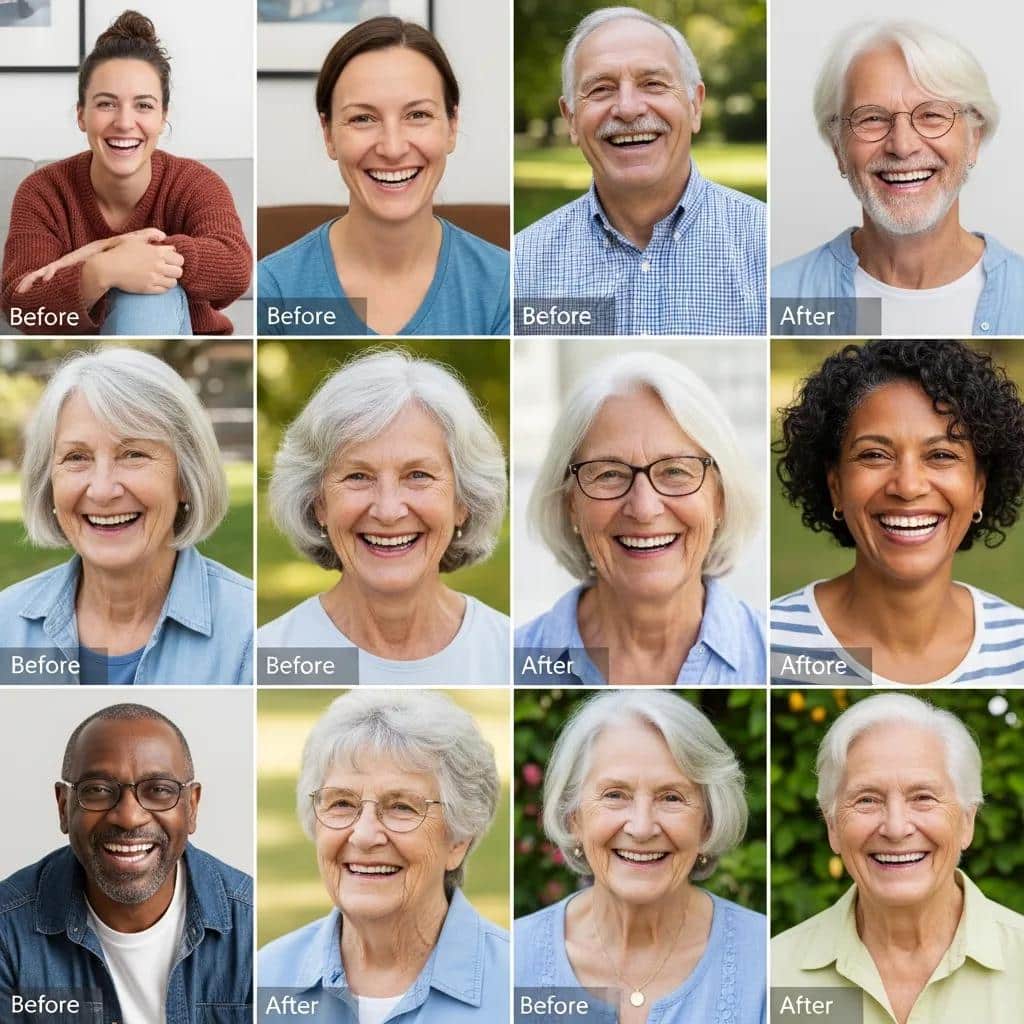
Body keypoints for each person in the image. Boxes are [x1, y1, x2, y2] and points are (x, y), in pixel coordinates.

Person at [772, 339, 1024, 684]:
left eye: (941, 456)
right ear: (836, 486)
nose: (907, 486)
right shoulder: (771, 646)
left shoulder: (1017, 648)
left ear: (979, 487)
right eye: (875, 454)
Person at [0, 347, 253, 685]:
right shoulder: (6, 625)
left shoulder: (250, 632)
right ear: (48, 480)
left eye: (133, 454)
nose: (102, 490)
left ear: (185, 478)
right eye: (77, 457)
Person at [259, 348, 508, 684]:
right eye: (358, 477)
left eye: (418, 475)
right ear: (319, 503)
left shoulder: (508, 651)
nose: (388, 511)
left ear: (463, 501)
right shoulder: (269, 655)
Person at [258, 689, 508, 1021]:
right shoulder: (265, 977)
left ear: (458, 840)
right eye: (342, 803)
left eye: (401, 807)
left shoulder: (515, 986)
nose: (364, 836)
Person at [516, 690, 765, 1023]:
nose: (642, 827)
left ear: (707, 822)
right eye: (615, 795)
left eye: (671, 798)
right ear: (573, 817)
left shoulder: (767, 961)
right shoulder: (515, 958)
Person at [773, 693, 1024, 1023]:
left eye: (923, 797)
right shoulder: (774, 970)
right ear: (832, 826)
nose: (895, 827)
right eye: (867, 800)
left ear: (967, 821)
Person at [516, 351, 764, 684]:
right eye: (608, 474)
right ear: (570, 502)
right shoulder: (513, 661)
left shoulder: (778, 657)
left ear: (720, 497)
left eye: (675, 471)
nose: (644, 508)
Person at [514, 7, 765, 336]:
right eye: (601, 89)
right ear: (571, 118)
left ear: (695, 106)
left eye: (653, 83)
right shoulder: (521, 265)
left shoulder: (763, 245)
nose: (629, 109)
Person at [0, 10, 251, 336]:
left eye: (143, 105)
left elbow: (235, 270)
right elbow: (20, 310)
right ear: (81, 115)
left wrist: (143, 257)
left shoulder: (196, 184)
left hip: (176, 346)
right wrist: (103, 268)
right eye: (106, 104)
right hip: (80, 360)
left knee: (145, 294)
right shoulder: (43, 192)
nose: (124, 122)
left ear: (162, 117)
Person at [0, 703, 252, 1022]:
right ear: (64, 807)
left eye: (159, 790)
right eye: (99, 791)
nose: (130, 817)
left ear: (192, 806)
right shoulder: (7, 931)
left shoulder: (251, 928)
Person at [257, 16, 509, 336]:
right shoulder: (275, 292)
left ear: (452, 125)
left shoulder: (505, 286)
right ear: (328, 134)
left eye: (417, 115)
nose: (392, 148)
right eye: (363, 118)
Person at [772, 21, 1024, 336]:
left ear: (974, 139)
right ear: (838, 147)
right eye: (872, 118)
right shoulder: (780, 299)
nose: (902, 146)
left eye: (931, 115)